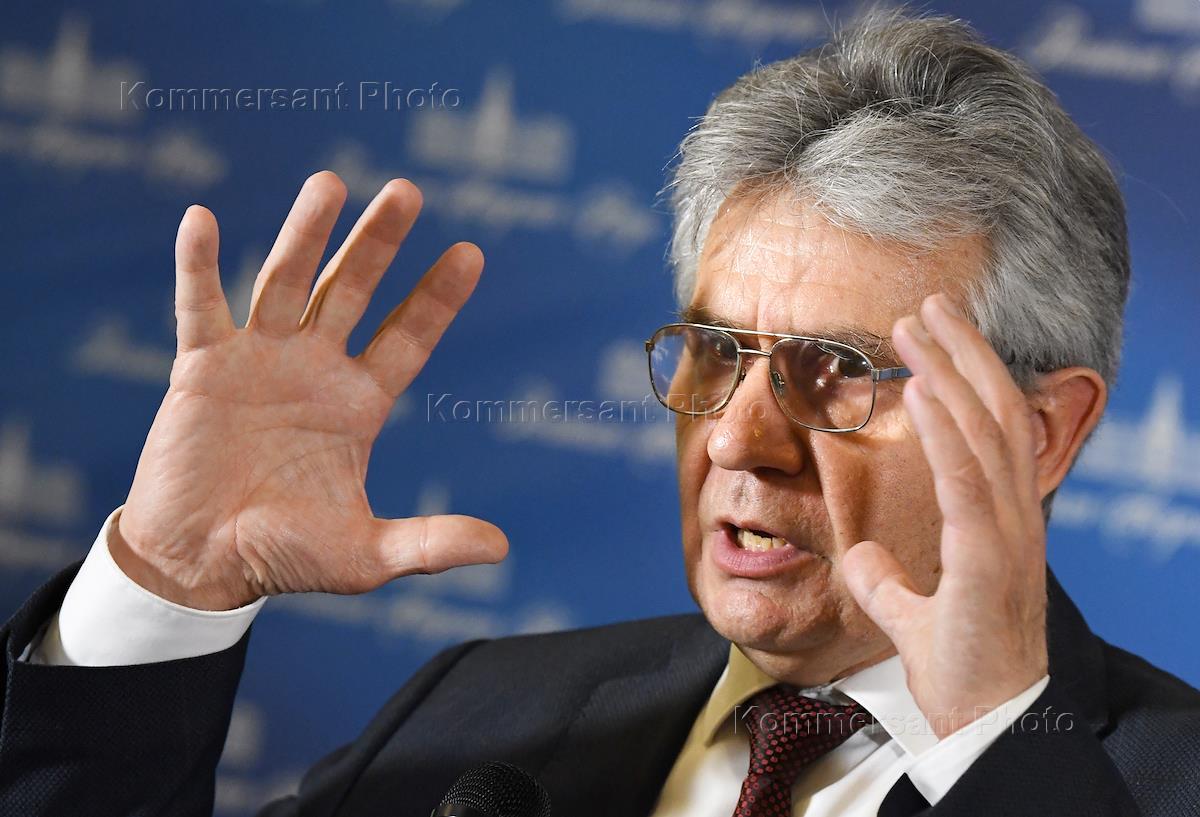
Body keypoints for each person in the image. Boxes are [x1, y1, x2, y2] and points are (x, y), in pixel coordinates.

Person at [2, 10, 1198, 817]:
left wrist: (994, 744)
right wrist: (169, 583)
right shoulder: (481, 716)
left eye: (839, 370)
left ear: (1043, 432)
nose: (739, 439)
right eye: (716, 352)